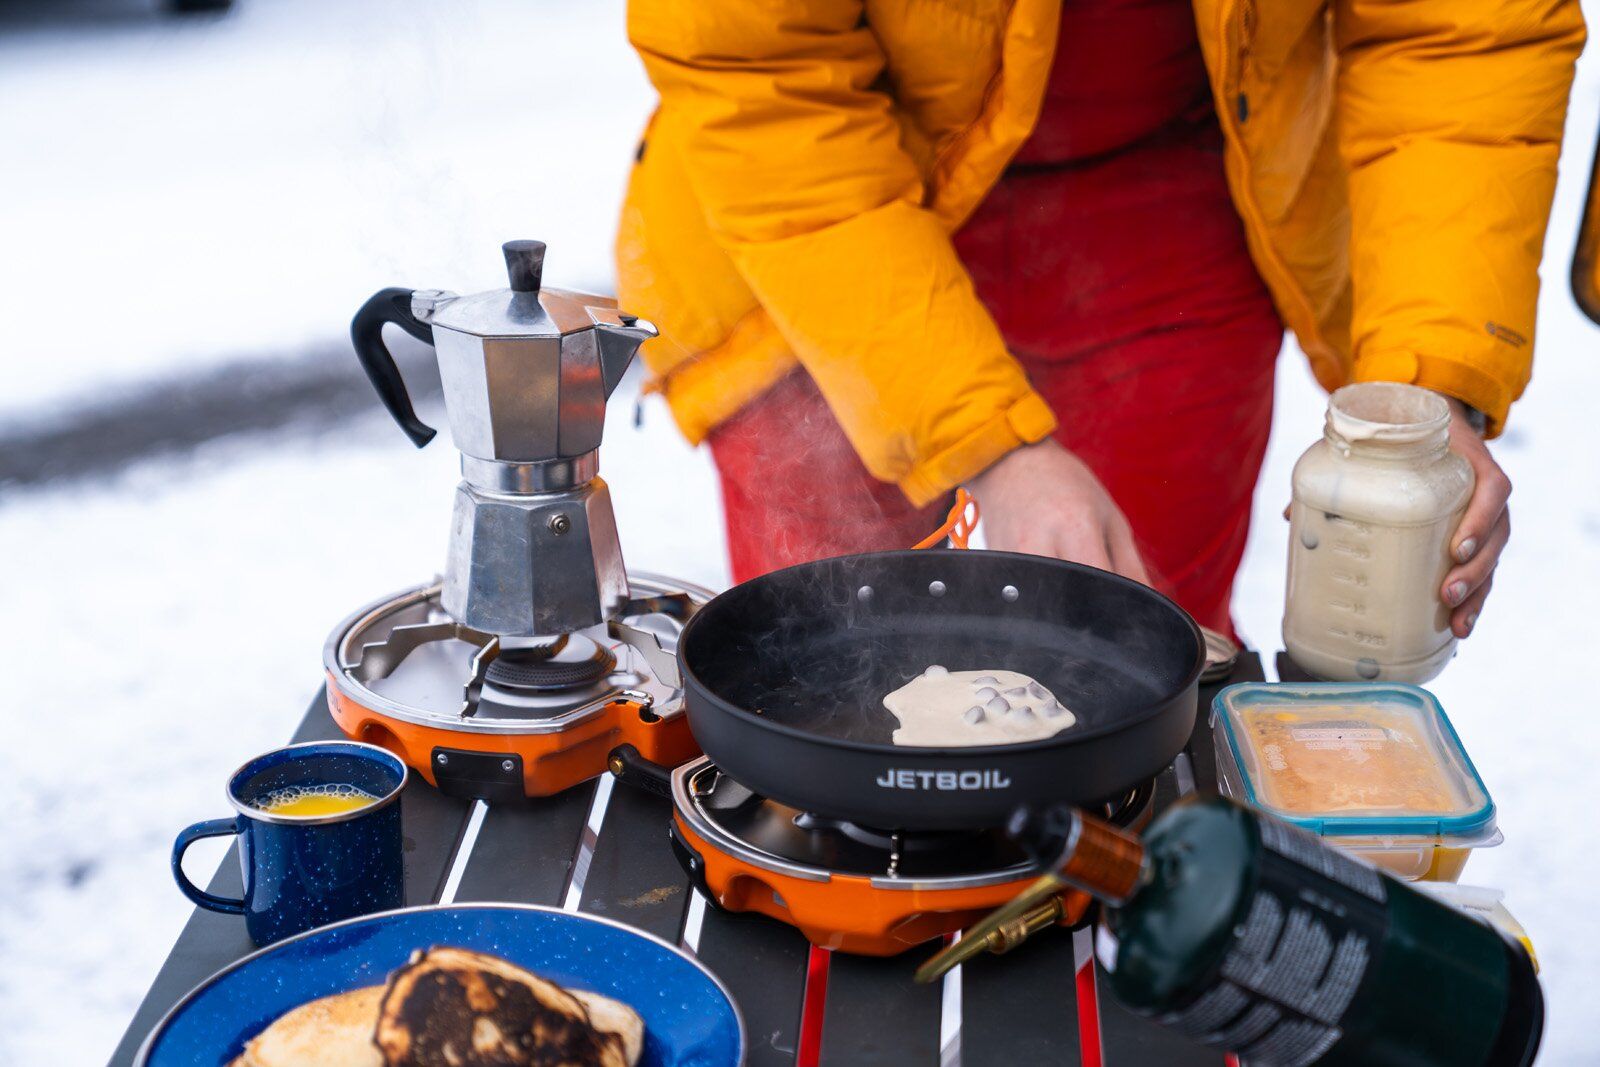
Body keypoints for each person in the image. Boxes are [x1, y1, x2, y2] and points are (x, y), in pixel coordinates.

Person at [616, 0, 1584, 638]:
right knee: (835, 656)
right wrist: (986, 444)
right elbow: (760, 75)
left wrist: (1430, 380)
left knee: (1142, 645)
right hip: (816, 228)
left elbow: (1458, 34)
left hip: (1172, 203)